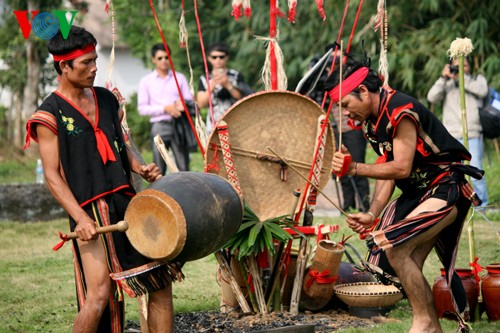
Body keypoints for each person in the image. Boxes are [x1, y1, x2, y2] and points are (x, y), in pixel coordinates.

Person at [24, 26, 181, 333]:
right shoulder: (49, 114)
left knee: (159, 282)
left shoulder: (106, 99)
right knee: (99, 295)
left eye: (94, 60)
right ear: (63, 66)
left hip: (126, 203)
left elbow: (119, 141)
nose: (94, 67)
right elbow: (53, 177)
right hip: (90, 212)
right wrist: (80, 217)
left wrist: (138, 166)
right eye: (86, 63)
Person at [329, 58, 483, 333]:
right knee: (404, 257)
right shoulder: (370, 122)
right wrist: (373, 213)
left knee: (397, 248)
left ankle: (423, 323)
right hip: (419, 194)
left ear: (363, 91)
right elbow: (386, 168)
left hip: (444, 188)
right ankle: (430, 326)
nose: (346, 114)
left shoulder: (400, 110)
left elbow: (401, 167)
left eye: (345, 105)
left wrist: (353, 168)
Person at [307, 44, 370, 212]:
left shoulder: (349, 74)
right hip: (334, 129)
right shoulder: (323, 77)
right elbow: (313, 98)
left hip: (353, 128)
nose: (335, 62)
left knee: (358, 166)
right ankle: (347, 206)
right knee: (340, 170)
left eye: (339, 58)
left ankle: (365, 205)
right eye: (332, 59)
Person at [427, 57, 489, 207]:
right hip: (452, 135)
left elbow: (483, 91)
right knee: (453, 173)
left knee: (475, 171)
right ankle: (456, 204)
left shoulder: (476, 79)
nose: (459, 69)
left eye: (463, 66)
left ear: (469, 67)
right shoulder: (447, 83)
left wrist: (462, 79)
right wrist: (443, 77)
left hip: (473, 133)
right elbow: (431, 97)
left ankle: (482, 206)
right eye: (455, 66)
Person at [138, 43, 194, 173]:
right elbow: (142, 108)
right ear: (153, 60)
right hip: (159, 125)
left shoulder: (179, 78)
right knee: (158, 166)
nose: (164, 61)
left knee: (183, 165)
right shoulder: (146, 81)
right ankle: (160, 191)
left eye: (166, 57)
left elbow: (189, 101)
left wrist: (182, 104)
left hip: (179, 124)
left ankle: (184, 190)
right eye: (160, 58)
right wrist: (165, 108)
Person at [197, 42, 250, 134]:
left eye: (221, 57)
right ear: (209, 58)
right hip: (213, 127)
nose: (218, 60)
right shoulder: (204, 79)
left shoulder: (236, 76)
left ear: (227, 57)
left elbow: (243, 99)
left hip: (235, 125)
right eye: (214, 57)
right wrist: (212, 85)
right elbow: (201, 104)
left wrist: (227, 85)